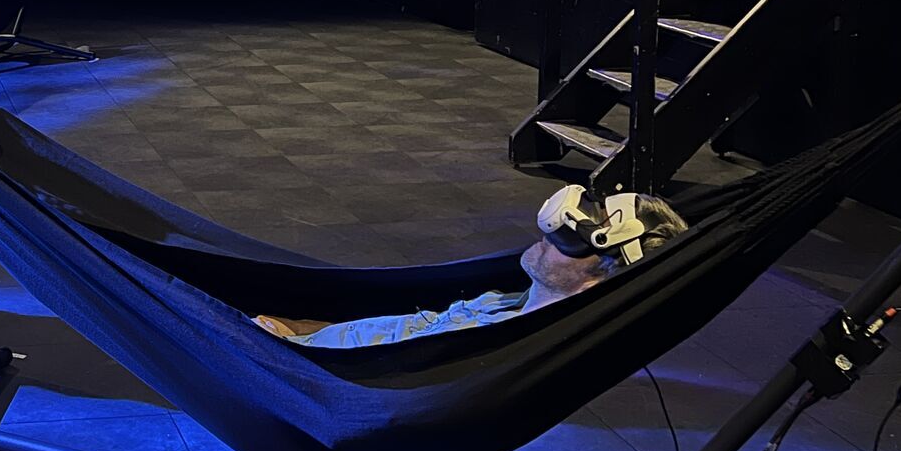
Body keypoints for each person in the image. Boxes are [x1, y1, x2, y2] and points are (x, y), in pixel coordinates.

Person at [254, 186, 688, 348]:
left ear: (599, 281)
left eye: (573, 239)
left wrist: (274, 347)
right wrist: (296, 330)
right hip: (302, 343)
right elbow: (401, 329)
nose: (549, 234)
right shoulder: (507, 304)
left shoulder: (498, 346)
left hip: (298, 368)